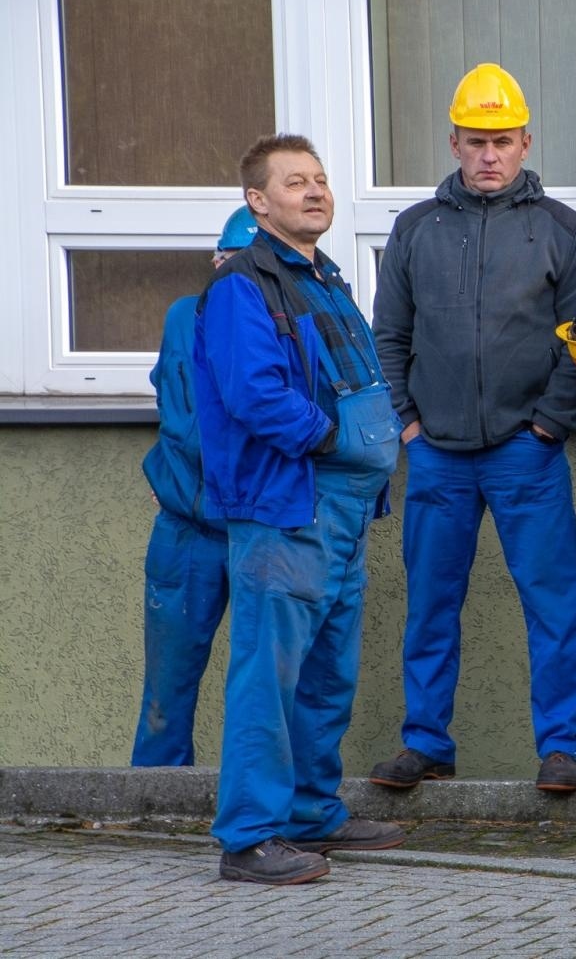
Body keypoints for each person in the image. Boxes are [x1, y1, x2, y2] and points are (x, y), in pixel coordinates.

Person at [371, 63, 576, 794]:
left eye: (502, 141)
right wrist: (408, 425)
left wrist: (548, 426)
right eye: (476, 141)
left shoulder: (562, 230)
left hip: (525, 452)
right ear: (454, 144)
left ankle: (562, 747)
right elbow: (388, 338)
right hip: (436, 453)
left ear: (526, 143)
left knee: (553, 604)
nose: (489, 155)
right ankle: (426, 742)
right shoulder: (416, 229)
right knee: (430, 606)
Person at [195, 134, 403, 885]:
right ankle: (249, 837)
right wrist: (331, 438)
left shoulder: (324, 277)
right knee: (269, 674)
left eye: (320, 179)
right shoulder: (243, 286)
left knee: (325, 672)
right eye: (294, 182)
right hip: (288, 504)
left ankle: (313, 812)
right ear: (257, 201)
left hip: (344, 508)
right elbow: (253, 394)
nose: (315, 191)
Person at [131, 206, 257, 766]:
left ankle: (255, 804)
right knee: (166, 688)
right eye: (233, 261)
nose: (241, 275)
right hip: (185, 530)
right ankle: (153, 805)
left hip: (260, 527)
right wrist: (168, 473)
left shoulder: (292, 321)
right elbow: (173, 403)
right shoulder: (183, 316)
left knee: (266, 688)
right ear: (216, 260)